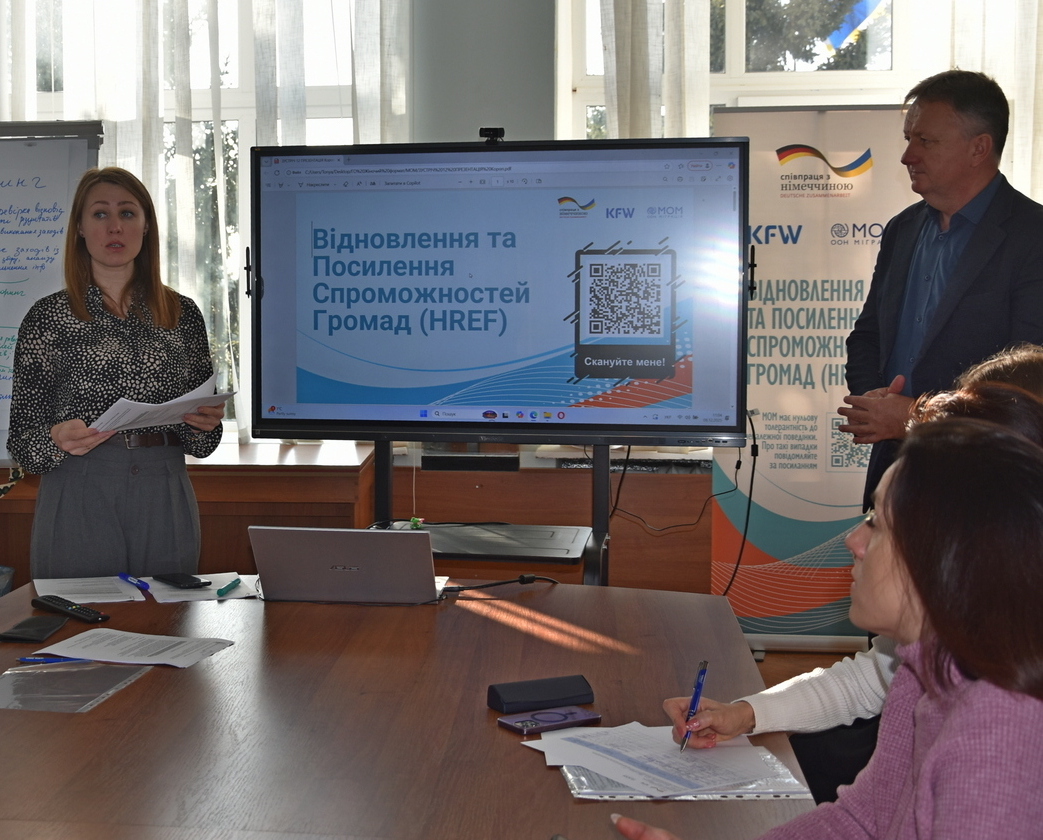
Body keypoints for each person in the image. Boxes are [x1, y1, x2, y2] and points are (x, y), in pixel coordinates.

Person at [614, 418, 1043, 839]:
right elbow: (859, 820)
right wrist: (746, 713)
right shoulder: (918, 674)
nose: (853, 541)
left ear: (946, 557)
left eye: (878, 523)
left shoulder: (997, 733)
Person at [6, 167, 224, 579]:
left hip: (164, 487)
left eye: (127, 212)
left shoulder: (182, 313)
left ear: (146, 226)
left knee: (165, 615)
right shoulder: (48, 317)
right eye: (100, 214)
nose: (114, 226)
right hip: (79, 486)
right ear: (80, 229)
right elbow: (22, 441)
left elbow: (205, 441)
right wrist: (55, 438)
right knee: (80, 617)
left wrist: (204, 423)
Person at [839, 70, 1043, 510]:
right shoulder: (902, 230)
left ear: (979, 148)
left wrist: (915, 415)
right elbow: (868, 336)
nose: (907, 155)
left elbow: (1029, 383)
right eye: (908, 138)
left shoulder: (1033, 237)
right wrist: (878, 404)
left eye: (925, 141)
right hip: (895, 470)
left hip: (984, 482)